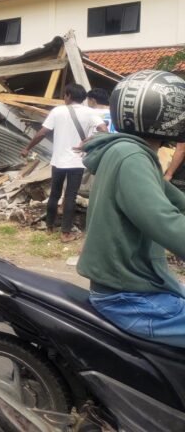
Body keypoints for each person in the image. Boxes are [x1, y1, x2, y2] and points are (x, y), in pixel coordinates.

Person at [78, 70, 185, 348]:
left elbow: (173, 199)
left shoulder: (128, 152)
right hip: (130, 299)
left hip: (132, 289)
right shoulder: (132, 157)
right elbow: (164, 221)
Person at [21, 84, 106, 242]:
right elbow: (104, 130)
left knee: (54, 194)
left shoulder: (57, 111)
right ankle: (66, 233)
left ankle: (49, 227)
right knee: (70, 197)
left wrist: (27, 147)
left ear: (68, 95)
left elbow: (43, 132)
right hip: (77, 161)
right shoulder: (90, 112)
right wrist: (86, 141)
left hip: (58, 161)